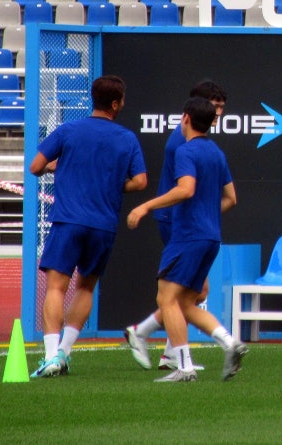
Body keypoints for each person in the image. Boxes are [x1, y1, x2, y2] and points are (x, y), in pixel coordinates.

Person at [29, 74, 148, 378]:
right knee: (85, 287)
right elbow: (140, 182)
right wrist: (110, 183)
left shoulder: (68, 130)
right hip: (103, 225)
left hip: (68, 220)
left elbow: (35, 167)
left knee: (56, 287)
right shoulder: (127, 138)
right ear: (115, 103)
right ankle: (64, 354)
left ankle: (50, 355)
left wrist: (62, 165)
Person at [127, 96, 247, 382]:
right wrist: (207, 214)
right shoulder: (216, 153)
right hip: (210, 237)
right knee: (185, 303)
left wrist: (146, 206)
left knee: (166, 298)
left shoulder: (185, 151)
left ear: (186, 120)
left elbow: (186, 189)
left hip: (187, 236)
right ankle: (230, 343)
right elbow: (231, 198)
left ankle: (184, 367)